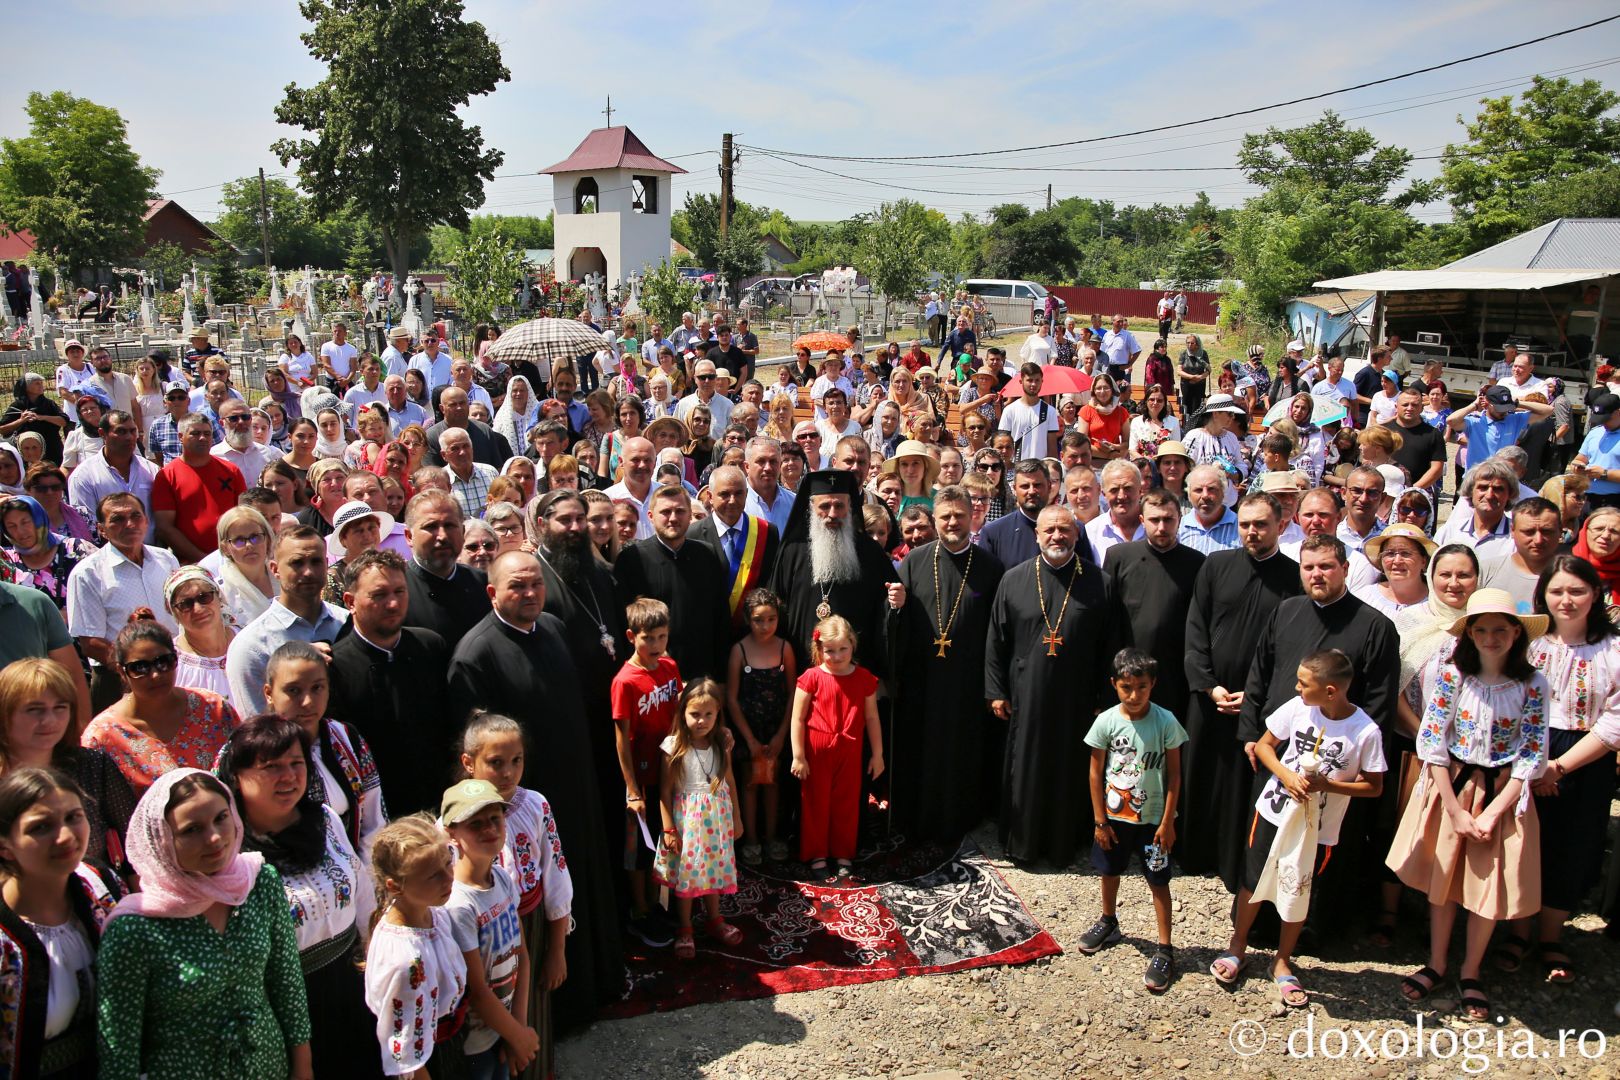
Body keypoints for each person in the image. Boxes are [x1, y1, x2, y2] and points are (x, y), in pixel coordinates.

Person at [447, 551, 622, 1023]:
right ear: (492, 593)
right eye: (517, 587)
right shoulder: (475, 653)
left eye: (535, 585)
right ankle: (553, 1013)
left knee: (580, 884)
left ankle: (595, 986)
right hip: (522, 806)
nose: (529, 594)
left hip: (574, 786)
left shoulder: (554, 627)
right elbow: (479, 749)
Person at [1387, 590, 1548, 1021]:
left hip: (1503, 793)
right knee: (1445, 880)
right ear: (1470, 635)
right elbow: (1433, 741)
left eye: (1500, 629)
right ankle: (1438, 962)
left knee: (1485, 885)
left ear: (1516, 632)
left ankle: (1471, 969)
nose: (1491, 637)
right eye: (1481, 629)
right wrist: (1455, 811)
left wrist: (1495, 811)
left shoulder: (1534, 683)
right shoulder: (1454, 676)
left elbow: (1533, 752)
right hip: (1454, 787)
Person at [97, 768, 312, 1078]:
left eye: (221, 818)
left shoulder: (259, 883)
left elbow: (287, 982)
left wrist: (303, 1067)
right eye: (191, 830)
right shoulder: (134, 929)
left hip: (269, 1068)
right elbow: (119, 1048)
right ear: (161, 841)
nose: (213, 838)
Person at [1213, 648, 1386, 1006]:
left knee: (1299, 888)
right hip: (1274, 810)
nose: (1296, 688)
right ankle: (1237, 946)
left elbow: (1374, 785)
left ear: (1331, 691)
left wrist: (1329, 785)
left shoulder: (1365, 731)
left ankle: (1282, 961)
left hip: (1317, 827)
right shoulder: (1297, 709)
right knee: (1253, 879)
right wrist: (1286, 775)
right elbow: (1264, 747)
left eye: (1304, 683)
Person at [1241, 534, 1400, 918]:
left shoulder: (1375, 626)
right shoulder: (1286, 611)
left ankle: (1309, 930)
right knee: (1266, 843)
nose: (1317, 574)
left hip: (1335, 766)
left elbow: (1379, 701)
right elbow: (1260, 673)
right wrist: (1250, 732)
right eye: (1309, 567)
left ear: (1345, 569)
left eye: (1326, 566)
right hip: (1280, 751)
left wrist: (1355, 762)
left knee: (1318, 852)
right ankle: (1257, 923)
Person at [214, 715, 380, 1079]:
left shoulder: (324, 820)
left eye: (296, 763)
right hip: (286, 1014)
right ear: (237, 778)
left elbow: (363, 896)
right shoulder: (231, 857)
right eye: (271, 767)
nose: (288, 777)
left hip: (353, 993)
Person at [1492, 557, 1618, 984]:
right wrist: (1532, 763)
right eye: (1557, 591)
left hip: (1585, 757)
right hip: (1526, 748)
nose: (1566, 600)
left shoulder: (1615, 649)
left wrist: (1560, 766)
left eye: (1577, 590)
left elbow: (1614, 721)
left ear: (1595, 594)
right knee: (1525, 843)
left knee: (1573, 846)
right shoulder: (1527, 645)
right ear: (1542, 595)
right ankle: (1518, 931)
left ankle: (1551, 937)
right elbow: (1507, 699)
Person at [1179, 491, 1302, 883]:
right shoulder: (1216, 566)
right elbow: (1195, 628)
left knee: (1243, 781)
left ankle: (1234, 863)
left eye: (1261, 524)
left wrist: (1257, 696)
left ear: (1280, 525)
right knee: (1200, 772)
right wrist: (1208, 685)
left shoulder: (1293, 577)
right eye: (1246, 524)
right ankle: (1193, 854)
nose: (1252, 532)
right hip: (1209, 697)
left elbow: (1291, 647)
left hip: (1260, 702)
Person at [985, 505, 1110, 866]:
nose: (1057, 536)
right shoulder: (1014, 578)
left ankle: (1063, 846)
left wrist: (1104, 696)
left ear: (1076, 535)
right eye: (1050, 530)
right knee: (1025, 767)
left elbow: (1110, 644)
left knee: (1070, 769)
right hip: (1027, 695)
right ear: (1037, 535)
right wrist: (995, 691)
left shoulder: (1100, 583)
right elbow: (996, 639)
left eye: (1065, 530)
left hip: (1078, 697)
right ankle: (1021, 843)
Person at [890, 487, 1005, 844]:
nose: (952, 522)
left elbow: (996, 632)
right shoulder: (915, 560)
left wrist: (992, 686)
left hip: (966, 680)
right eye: (945, 517)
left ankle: (960, 818)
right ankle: (918, 818)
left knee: (962, 750)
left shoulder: (989, 566)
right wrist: (894, 607)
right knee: (921, 748)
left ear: (973, 517)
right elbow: (900, 624)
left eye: (959, 515)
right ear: (934, 520)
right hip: (922, 677)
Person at [0, 767, 124, 1078]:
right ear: (5, 846)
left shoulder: (103, 886)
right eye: (41, 827)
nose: (66, 836)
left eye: (74, 817)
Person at [1079, 648, 1186, 992]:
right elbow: (1095, 772)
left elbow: (1175, 777)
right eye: (1127, 687)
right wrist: (1100, 822)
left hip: (1154, 825)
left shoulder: (1166, 721)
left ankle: (1165, 948)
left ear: (1153, 684)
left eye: (1141, 686)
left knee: (1158, 880)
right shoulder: (1106, 721)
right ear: (1115, 685)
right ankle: (1108, 920)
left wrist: (1167, 822)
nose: (1134, 695)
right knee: (1109, 870)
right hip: (1114, 821)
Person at [440, 778, 543, 1079]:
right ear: (452, 833)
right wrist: (517, 1036)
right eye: (476, 824)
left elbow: (522, 954)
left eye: (495, 819)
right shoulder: (458, 904)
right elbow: (477, 991)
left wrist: (518, 1027)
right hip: (475, 1045)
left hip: (506, 1029)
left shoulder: (502, 878)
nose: (489, 829)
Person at [767, 470, 904, 685]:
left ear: (849, 507)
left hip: (856, 670)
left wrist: (897, 601)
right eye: (824, 506)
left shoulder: (869, 552)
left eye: (839, 506)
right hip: (802, 671)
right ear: (811, 508)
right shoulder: (792, 551)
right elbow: (776, 606)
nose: (832, 513)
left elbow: (888, 609)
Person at [363, 814, 468, 1077]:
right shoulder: (405, 962)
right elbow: (408, 1057)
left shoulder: (434, 914)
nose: (448, 879)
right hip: (431, 1060)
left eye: (448, 863)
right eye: (433, 875)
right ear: (395, 886)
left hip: (453, 1040)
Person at [609, 598, 682, 948]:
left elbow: (680, 714)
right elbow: (622, 739)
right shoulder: (625, 681)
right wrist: (632, 790)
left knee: (662, 846)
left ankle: (656, 905)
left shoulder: (669, 666)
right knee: (638, 850)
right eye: (648, 638)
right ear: (631, 636)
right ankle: (639, 911)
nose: (656, 645)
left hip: (670, 774)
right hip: (640, 778)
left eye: (662, 636)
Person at [65, 494, 179, 712]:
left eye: (135, 516)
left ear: (146, 520)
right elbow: (91, 643)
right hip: (117, 678)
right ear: (101, 529)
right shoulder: (88, 574)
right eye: (117, 519)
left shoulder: (166, 559)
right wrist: (138, 667)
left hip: (173, 668)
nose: (129, 524)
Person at [788, 616, 880, 883]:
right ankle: (816, 853)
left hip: (850, 753)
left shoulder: (864, 679)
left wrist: (878, 754)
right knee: (816, 802)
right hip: (816, 754)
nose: (837, 656)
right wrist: (798, 755)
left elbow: (872, 718)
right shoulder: (811, 677)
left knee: (847, 803)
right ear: (819, 649)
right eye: (829, 650)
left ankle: (843, 852)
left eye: (843, 649)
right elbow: (798, 718)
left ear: (853, 645)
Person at [612, 485, 731, 683]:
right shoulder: (632, 560)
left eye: (680, 511)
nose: (673, 518)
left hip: (702, 679)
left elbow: (720, 618)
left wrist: (721, 678)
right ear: (650, 515)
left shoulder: (707, 554)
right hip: (652, 680)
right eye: (665, 512)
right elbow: (624, 623)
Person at [1103, 490, 1204, 712]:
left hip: (1175, 674)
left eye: (1168, 520)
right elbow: (1108, 620)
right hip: (1126, 673)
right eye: (1154, 520)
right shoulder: (1118, 557)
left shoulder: (1197, 563)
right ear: (1142, 520)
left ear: (1179, 520)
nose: (1161, 527)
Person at [723, 588, 796, 865]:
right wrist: (750, 739)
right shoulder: (739, 650)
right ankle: (751, 839)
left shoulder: (784, 648)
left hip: (776, 730)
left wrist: (780, 735)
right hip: (748, 731)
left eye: (771, 619)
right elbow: (731, 697)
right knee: (750, 783)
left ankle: (773, 837)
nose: (765, 626)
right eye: (758, 620)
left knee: (774, 782)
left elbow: (792, 693)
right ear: (747, 619)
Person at [151, 415, 246, 562]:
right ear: (181, 437)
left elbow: (244, 514)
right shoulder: (167, 476)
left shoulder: (231, 470)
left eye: (207, 433)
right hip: (192, 562)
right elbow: (165, 527)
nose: (202, 438)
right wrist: (204, 560)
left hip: (232, 557)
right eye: (195, 433)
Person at [402, 490, 490, 643]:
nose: (442, 535)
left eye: (449, 525)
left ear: (462, 532)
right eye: (431, 526)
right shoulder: (397, 590)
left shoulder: (482, 583)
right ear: (409, 536)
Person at [0, 494, 96, 616]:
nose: (20, 531)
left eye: (25, 522)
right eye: (11, 526)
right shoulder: (7, 560)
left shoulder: (77, 549)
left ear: (39, 520)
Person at [164, 564, 234, 699]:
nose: (198, 609)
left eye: (204, 597)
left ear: (218, 596)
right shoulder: (170, 665)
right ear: (173, 612)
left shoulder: (248, 642)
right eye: (185, 604)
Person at [213, 506, 279, 631]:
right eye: (239, 540)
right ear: (225, 547)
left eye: (255, 537)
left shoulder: (285, 576)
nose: (249, 545)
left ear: (268, 539)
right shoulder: (220, 594)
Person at [1433, 459, 1518, 551]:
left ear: (1510, 494)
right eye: (1483, 488)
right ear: (1470, 491)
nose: (1489, 495)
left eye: (1497, 489)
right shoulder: (1448, 533)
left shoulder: (1517, 538)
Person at [1356, 522, 1435, 617]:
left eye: (1406, 553)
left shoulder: (1438, 603)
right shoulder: (1362, 600)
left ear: (1423, 561)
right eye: (1390, 553)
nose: (1397, 561)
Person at [1, 374, 69, 467]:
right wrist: (21, 420)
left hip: (52, 449)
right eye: (37, 383)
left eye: (41, 383)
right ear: (26, 387)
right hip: (27, 452)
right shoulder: (17, 406)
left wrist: (42, 417)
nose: (41, 385)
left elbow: (63, 421)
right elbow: (2, 429)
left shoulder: (49, 404)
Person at [997, 363, 1060, 462]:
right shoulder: (1009, 410)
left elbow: (1052, 448)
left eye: (1037, 380)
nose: (1033, 384)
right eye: (1029, 380)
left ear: (1042, 382)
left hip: (1040, 470)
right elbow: (1002, 444)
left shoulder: (1050, 411)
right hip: (1016, 469)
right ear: (1021, 381)